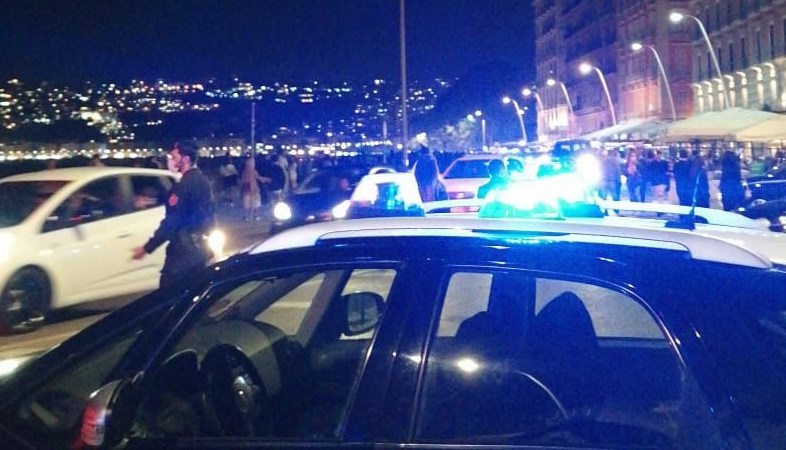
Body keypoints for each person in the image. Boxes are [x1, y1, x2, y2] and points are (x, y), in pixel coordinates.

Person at [132, 142, 215, 288]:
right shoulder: (204, 182)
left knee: (168, 294)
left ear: (186, 159)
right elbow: (207, 212)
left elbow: (171, 223)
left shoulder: (182, 185)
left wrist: (147, 248)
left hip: (182, 252)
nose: (170, 160)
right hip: (201, 249)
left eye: (174, 156)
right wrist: (153, 200)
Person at [241, 155, 265, 221]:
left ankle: (247, 217)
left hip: (246, 189)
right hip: (254, 188)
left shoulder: (244, 171)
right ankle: (256, 215)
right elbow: (258, 178)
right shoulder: (253, 171)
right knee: (256, 203)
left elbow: (243, 181)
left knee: (247, 203)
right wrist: (266, 179)